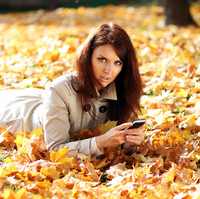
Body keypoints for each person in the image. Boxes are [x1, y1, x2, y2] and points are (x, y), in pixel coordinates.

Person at [0, 23, 145, 158]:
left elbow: (112, 141)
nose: (108, 70)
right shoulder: (60, 90)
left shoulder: (124, 90)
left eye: (117, 62)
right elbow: (56, 150)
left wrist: (128, 145)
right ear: (88, 58)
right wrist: (99, 142)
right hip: (17, 119)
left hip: (45, 100)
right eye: (102, 59)